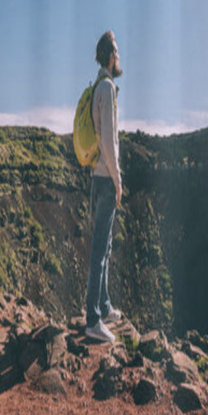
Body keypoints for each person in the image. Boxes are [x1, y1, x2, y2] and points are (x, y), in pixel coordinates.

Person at [84, 30, 124, 343]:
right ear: (110, 56)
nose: (120, 58)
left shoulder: (97, 86)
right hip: (105, 177)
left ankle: (105, 305)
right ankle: (93, 319)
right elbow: (109, 142)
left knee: (105, 245)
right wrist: (118, 180)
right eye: (118, 53)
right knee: (100, 249)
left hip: (96, 177)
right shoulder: (108, 88)